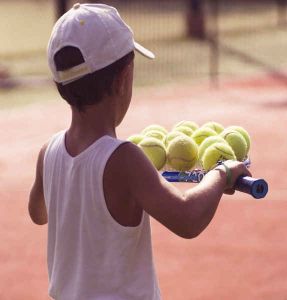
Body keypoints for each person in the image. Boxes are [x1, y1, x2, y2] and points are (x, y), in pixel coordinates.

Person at [28, 3, 251, 300]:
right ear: (122, 81)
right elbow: (187, 218)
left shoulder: (49, 152)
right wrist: (222, 173)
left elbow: (38, 213)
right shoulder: (124, 159)